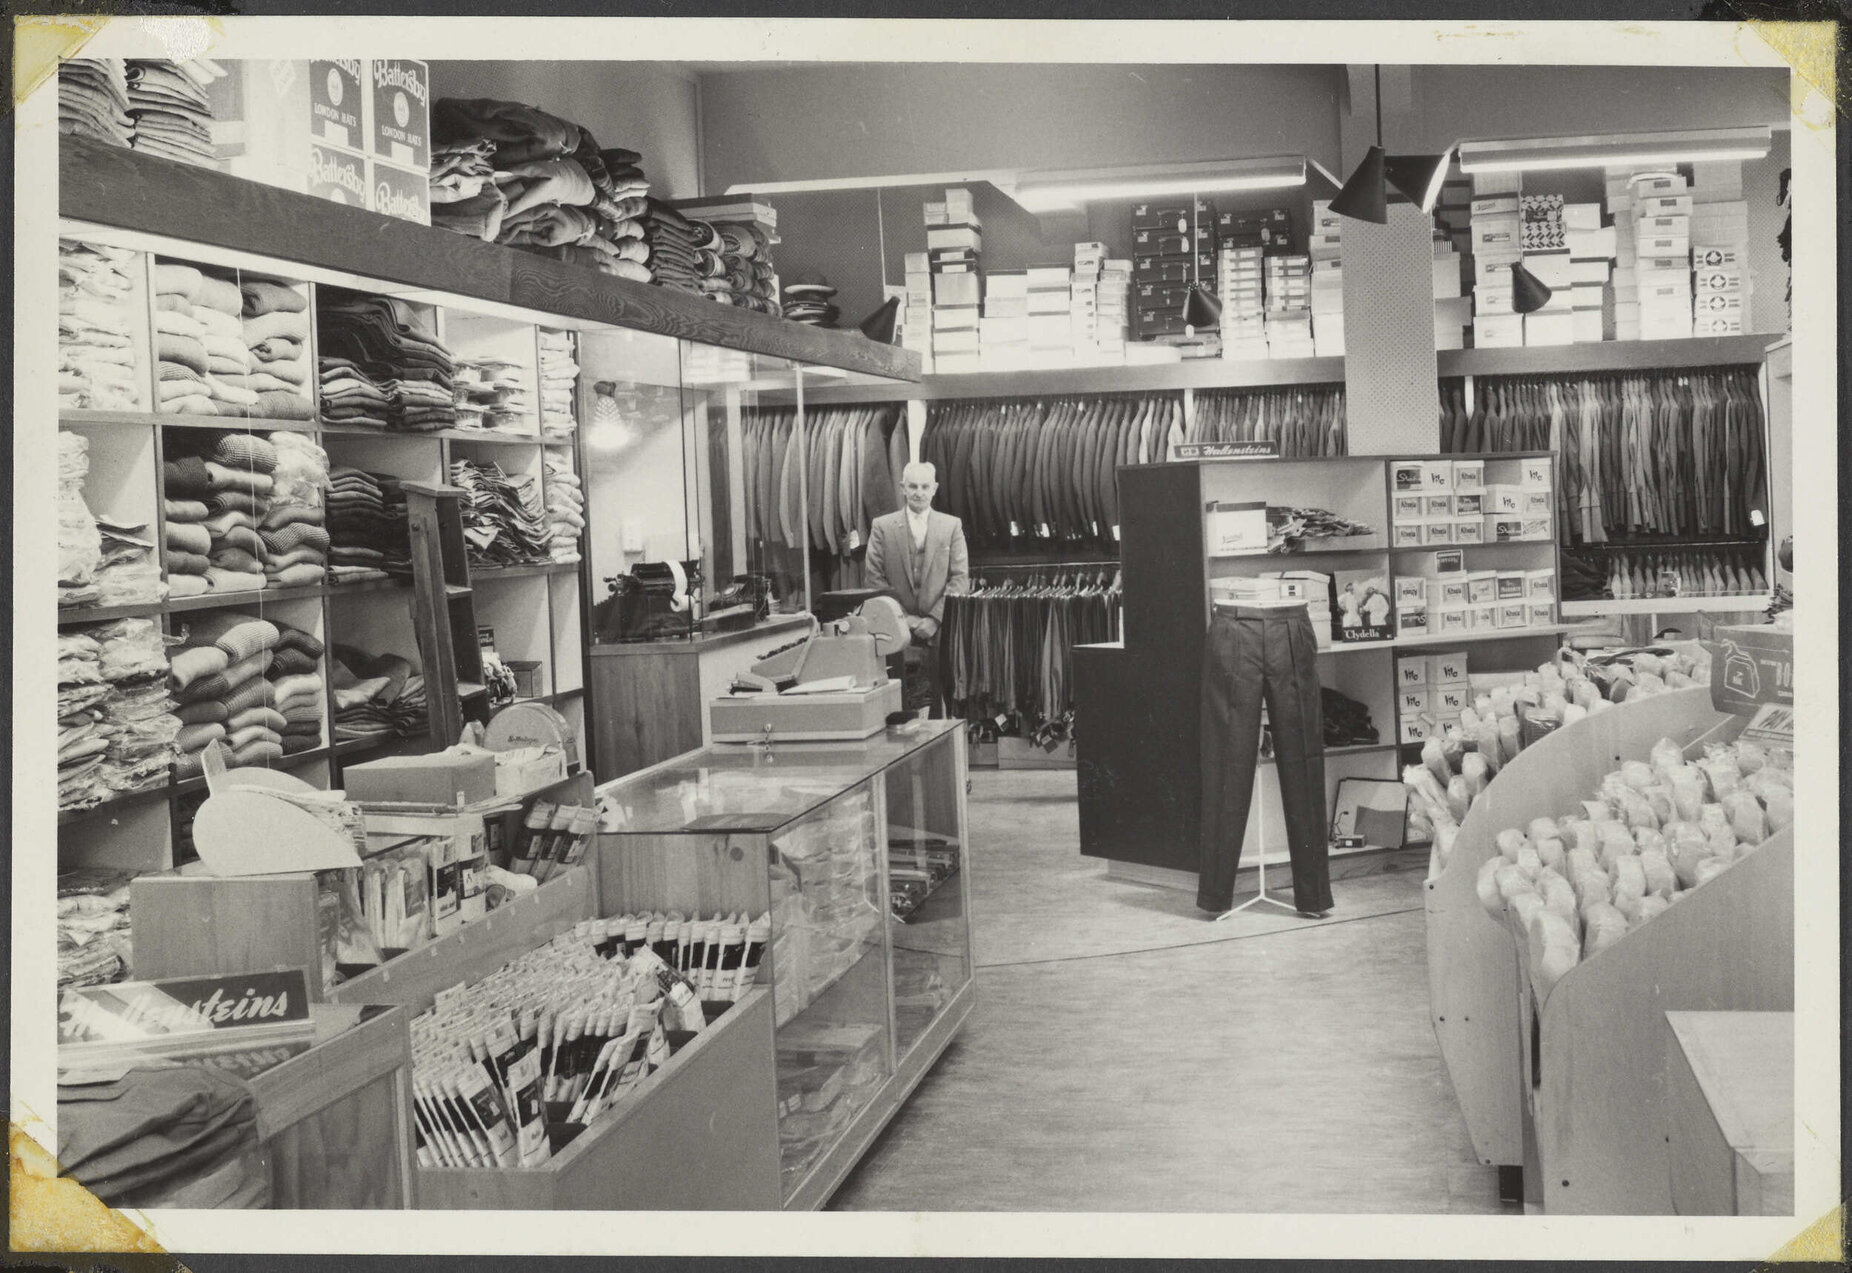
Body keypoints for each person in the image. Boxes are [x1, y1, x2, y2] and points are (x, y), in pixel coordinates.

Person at [865, 461, 969, 709]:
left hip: (940, 631)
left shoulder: (951, 525)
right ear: (902, 488)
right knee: (896, 704)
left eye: (924, 486)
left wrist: (935, 619)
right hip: (894, 630)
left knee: (939, 702)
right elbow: (873, 579)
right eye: (913, 486)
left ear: (934, 489)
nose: (919, 492)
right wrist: (905, 620)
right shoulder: (883, 526)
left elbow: (960, 578)